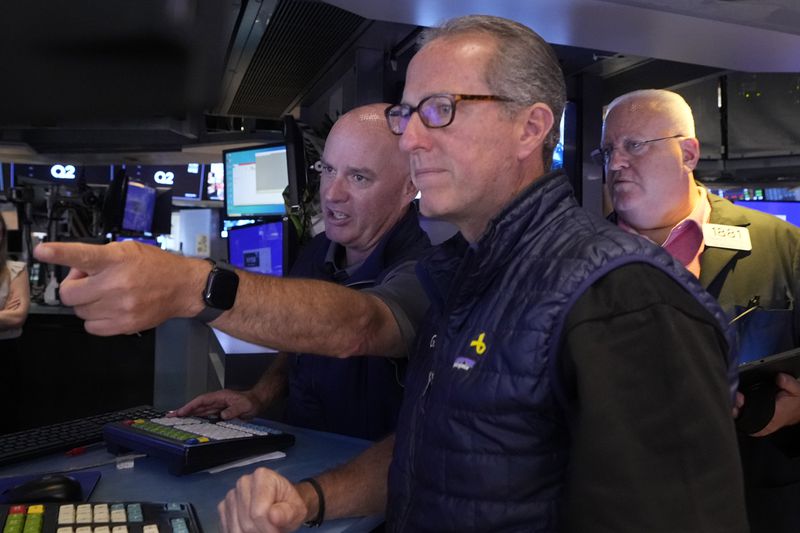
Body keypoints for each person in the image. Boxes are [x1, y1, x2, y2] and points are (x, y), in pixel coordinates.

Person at [33, 16, 748, 532]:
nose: (410, 137)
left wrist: (196, 286)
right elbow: (440, 452)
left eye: (440, 111)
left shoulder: (625, 299)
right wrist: (311, 499)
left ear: (532, 128)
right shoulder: (465, 272)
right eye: (409, 114)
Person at [602, 88, 800, 533]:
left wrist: (793, 409)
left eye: (633, 145)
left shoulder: (782, 247)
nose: (615, 164)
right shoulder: (574, 258)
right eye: (608, 149)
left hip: (752, 503)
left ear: (688, 153)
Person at [174, 103, 430, 440]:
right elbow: (297, 346)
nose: (332, 193)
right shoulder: (317, 250)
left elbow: (359, 326)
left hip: (368, 474)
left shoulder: (429, 265)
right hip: (301, 455)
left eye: (358, 177)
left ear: (408, 187)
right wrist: (258, 396)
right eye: (328, 169)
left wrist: (185, 284)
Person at [0, 212, 30, 434]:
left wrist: (10, 316)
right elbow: (8, 317)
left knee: (7, 422)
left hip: (6, 356)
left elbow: (18, 316)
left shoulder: (15, 268)